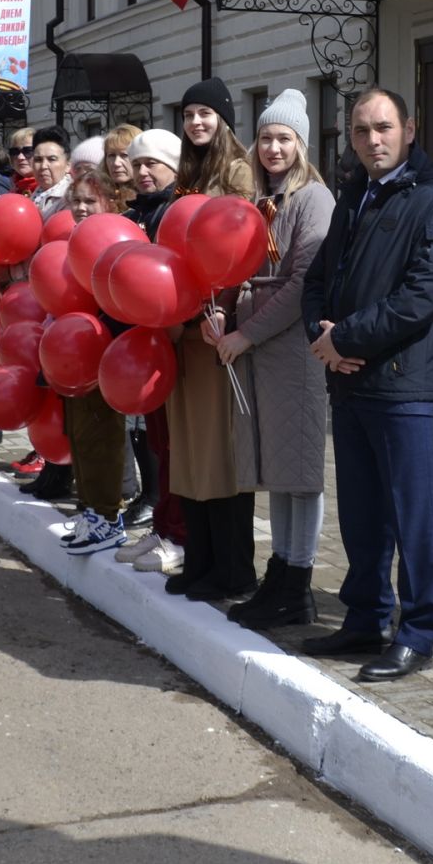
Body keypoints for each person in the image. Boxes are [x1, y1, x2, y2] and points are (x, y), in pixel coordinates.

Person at [299, 87, 433, 682]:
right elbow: (318, 279)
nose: (373, 140)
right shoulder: (354, 196)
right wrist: (323, 335)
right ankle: (366, 616)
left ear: (409, 129)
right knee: (363, 513)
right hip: (348, 381)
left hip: (401, 385)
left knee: (412, 515)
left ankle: (416, 633)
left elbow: (426, 296)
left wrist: (348, 339)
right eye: (362, 130)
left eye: (384, 128)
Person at [211, 89, 334, 630]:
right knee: (277, 469)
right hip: (259, 351)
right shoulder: (261, 201)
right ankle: (278, 572)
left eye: (284, 138)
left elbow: (304, 283)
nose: (273, 148)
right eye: (265, 138)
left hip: (292, 352)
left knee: (300, 470)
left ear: (301, 145)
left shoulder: (313, 201)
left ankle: (297, 582)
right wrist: (219, 314)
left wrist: (248, 334)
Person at [162, 78, 259, 603]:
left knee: (221, 456)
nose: (196, 121)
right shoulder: (187, 174)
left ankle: (233, 569)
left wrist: (221, 310)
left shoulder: (238, 173)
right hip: (185, 331)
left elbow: (241, 249)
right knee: (191, 453)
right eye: (189, 112)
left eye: (206, 113)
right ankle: (199, 561)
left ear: (223, 118)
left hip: (220, 331)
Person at [112, 128, 187, 574]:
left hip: (176, 341)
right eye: (136, 164)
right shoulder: (134, 215)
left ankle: (179, 532)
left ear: (172, 168)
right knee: (157, 439)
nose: (141, 171)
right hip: (141, 340)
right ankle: (163, 525)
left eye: (151, 164)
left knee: (176, 444)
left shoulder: (176, 212)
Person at [55, 170, 134, 557]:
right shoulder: (70, 240)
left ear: (110, 202)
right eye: (78, 200)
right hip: (75, 351)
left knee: (102, 434)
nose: (82, 207)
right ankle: (88, 508)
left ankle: (107, 515)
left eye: (91, 200)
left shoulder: (118, 235)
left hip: (108, 348)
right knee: (79, 433)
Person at [29, 127, 71, 218]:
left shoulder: (72, 198)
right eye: (38, 160)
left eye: (52, 159)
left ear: (68, 164)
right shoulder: (35, 193)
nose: (43, 166)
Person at [102, 124, 139, 199]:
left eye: (124, 155)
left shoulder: (150, 197)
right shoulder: (98, 195)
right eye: (111, 155)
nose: (116, 163)